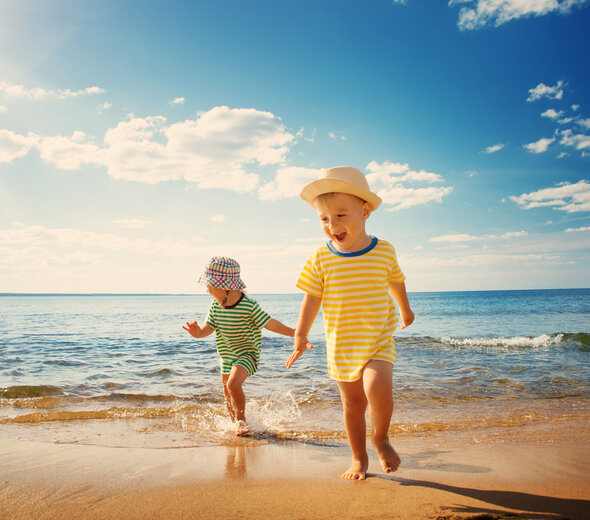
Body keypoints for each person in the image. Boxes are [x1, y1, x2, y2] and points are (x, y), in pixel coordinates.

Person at [285, 166, 414, 480]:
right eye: (324, 219)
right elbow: (312, 298)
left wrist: (405, 310)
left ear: (365, 211)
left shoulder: (384, 250)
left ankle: (380, 437)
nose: (332, 225)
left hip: (378, 339)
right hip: (342, 345)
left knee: (377, 388)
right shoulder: (320, 257)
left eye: (341, 215)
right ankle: (358, 459)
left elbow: (396, 281)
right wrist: (301, 334)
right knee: (353, 405)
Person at [184, 256, 309, 436]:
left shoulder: (248, 305)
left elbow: (269, 323)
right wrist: (197, 333)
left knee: (233, 385)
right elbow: (208, 328)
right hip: (226, 355)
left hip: (247, 354)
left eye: (209, 285)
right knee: (228, 394)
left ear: (224, 286)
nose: (207, 289)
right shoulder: (215, 306)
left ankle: (242, 421)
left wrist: (294, 332)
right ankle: (234, 424)